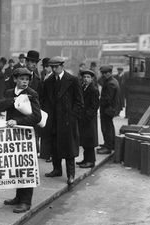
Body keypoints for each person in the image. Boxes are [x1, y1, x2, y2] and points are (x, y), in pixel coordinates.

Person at [0, 67, 41, 213]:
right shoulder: (10, 92)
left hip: (26, 135)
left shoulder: (32, 94)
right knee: (16, 165)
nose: (25, 82)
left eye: (27, 79)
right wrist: (13, 100)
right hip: (13, 136)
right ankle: (18, 197)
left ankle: (26, 201)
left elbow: (37, 116)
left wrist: (17, 121)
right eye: (22, 79)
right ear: (15, 79)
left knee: (26, 167)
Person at [42, 56, 83, 185]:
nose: (54, 69)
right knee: (54, 146)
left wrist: (72, 117)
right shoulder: (48, 82)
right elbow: (45, 100)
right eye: (52, 67)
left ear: (62, 66)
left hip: (67, 121)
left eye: (56, 67)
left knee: (69, 148)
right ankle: (57, 169)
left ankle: (71, 174)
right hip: (53, 120)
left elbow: (79, 102)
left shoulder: (72, 80)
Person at [77, 70, 100, 168]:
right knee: (85, 141)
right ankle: (86, 159)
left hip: (89, 120)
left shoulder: (93, 89)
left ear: (92, 79)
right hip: (84, 118)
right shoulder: (83, 87)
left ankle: (91, 161)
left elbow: (94, 106)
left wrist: (87, 116)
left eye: (88, 77)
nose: (86, 79)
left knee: (90, 141)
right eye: (84, 77)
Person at [97, 65, 120, 155]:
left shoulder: (110, 83)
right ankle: (110, 144)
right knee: (109, 126)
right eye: (103, 73)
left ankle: (108, 147)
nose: (103, 75)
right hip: (110, 109)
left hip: (107, 109)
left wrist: (99, 103)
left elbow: (107, 99)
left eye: (105, 73)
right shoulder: (112, 81)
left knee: (106, 128)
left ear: (109, 73)